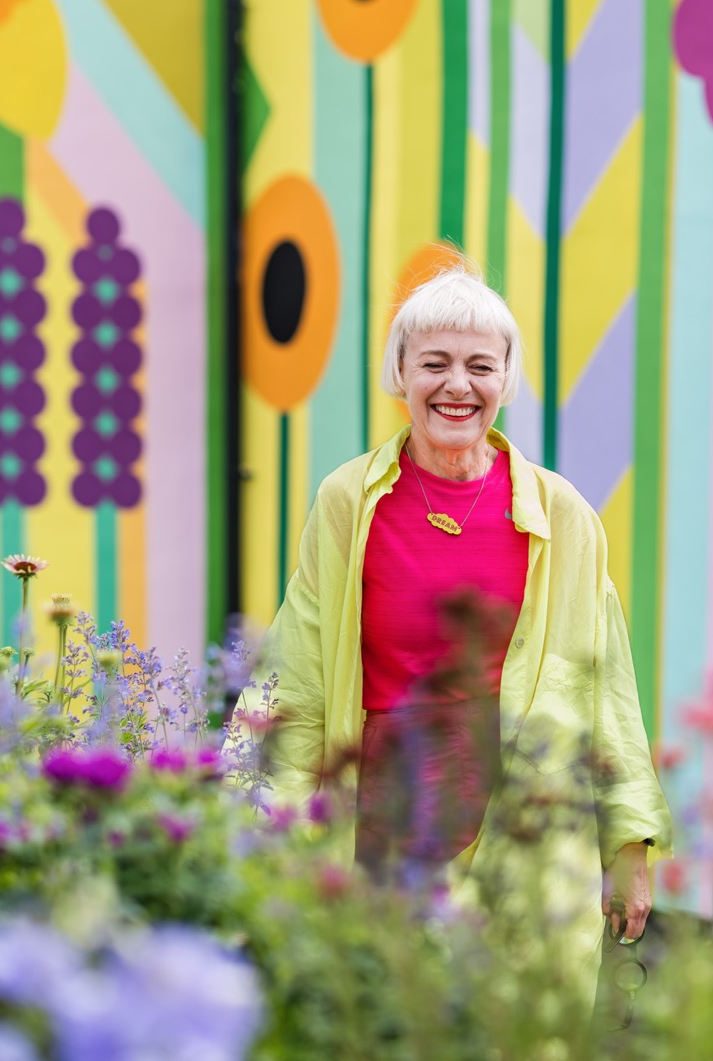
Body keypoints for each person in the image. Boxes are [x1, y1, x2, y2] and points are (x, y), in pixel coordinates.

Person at [229, 264, 672, 996]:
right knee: (379, 1016)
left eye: (479, 366)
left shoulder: (563, 517)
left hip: (522, 823)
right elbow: (300, 666)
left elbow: (606, 688)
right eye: (433, 363)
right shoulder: (349, 501)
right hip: (380, 814)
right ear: (399, 373)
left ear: (506, 379)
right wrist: (261, 806)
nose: (456, 385)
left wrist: (627, 842)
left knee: (510, 1022)